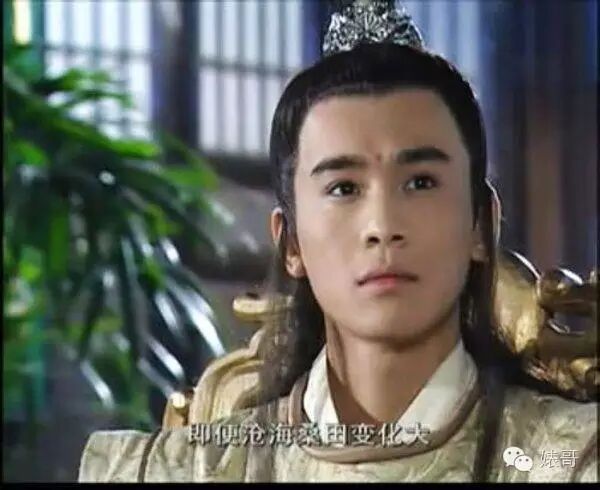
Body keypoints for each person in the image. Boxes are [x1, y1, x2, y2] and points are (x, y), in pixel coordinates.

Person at [78, 0, 597, 482]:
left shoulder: (559, 458)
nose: (382, 225)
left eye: (420, 182)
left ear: (481, 225)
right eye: (344, 188)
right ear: (291, 245)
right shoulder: (184, 469)